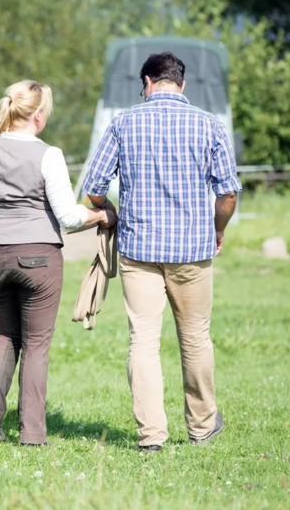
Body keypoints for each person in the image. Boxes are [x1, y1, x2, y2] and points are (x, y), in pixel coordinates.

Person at [83, 52, 242, 452]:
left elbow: (93, 189)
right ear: (180, 84)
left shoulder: (123, 123)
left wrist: (111, 210)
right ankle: (203, 426)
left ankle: (151, 437)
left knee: (143, 342)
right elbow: (227, 192)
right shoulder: (210, 125)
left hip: (139, 251)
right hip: (192, 249)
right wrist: (217, 229)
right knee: (195, 338)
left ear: (148, 82)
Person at [0, 80, 116, 446]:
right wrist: (101, 217)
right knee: (36, 343)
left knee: (6, 333)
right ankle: (33, 433)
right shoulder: (47, 155)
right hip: (38, 256)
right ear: (38, 115)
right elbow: (68, 218)